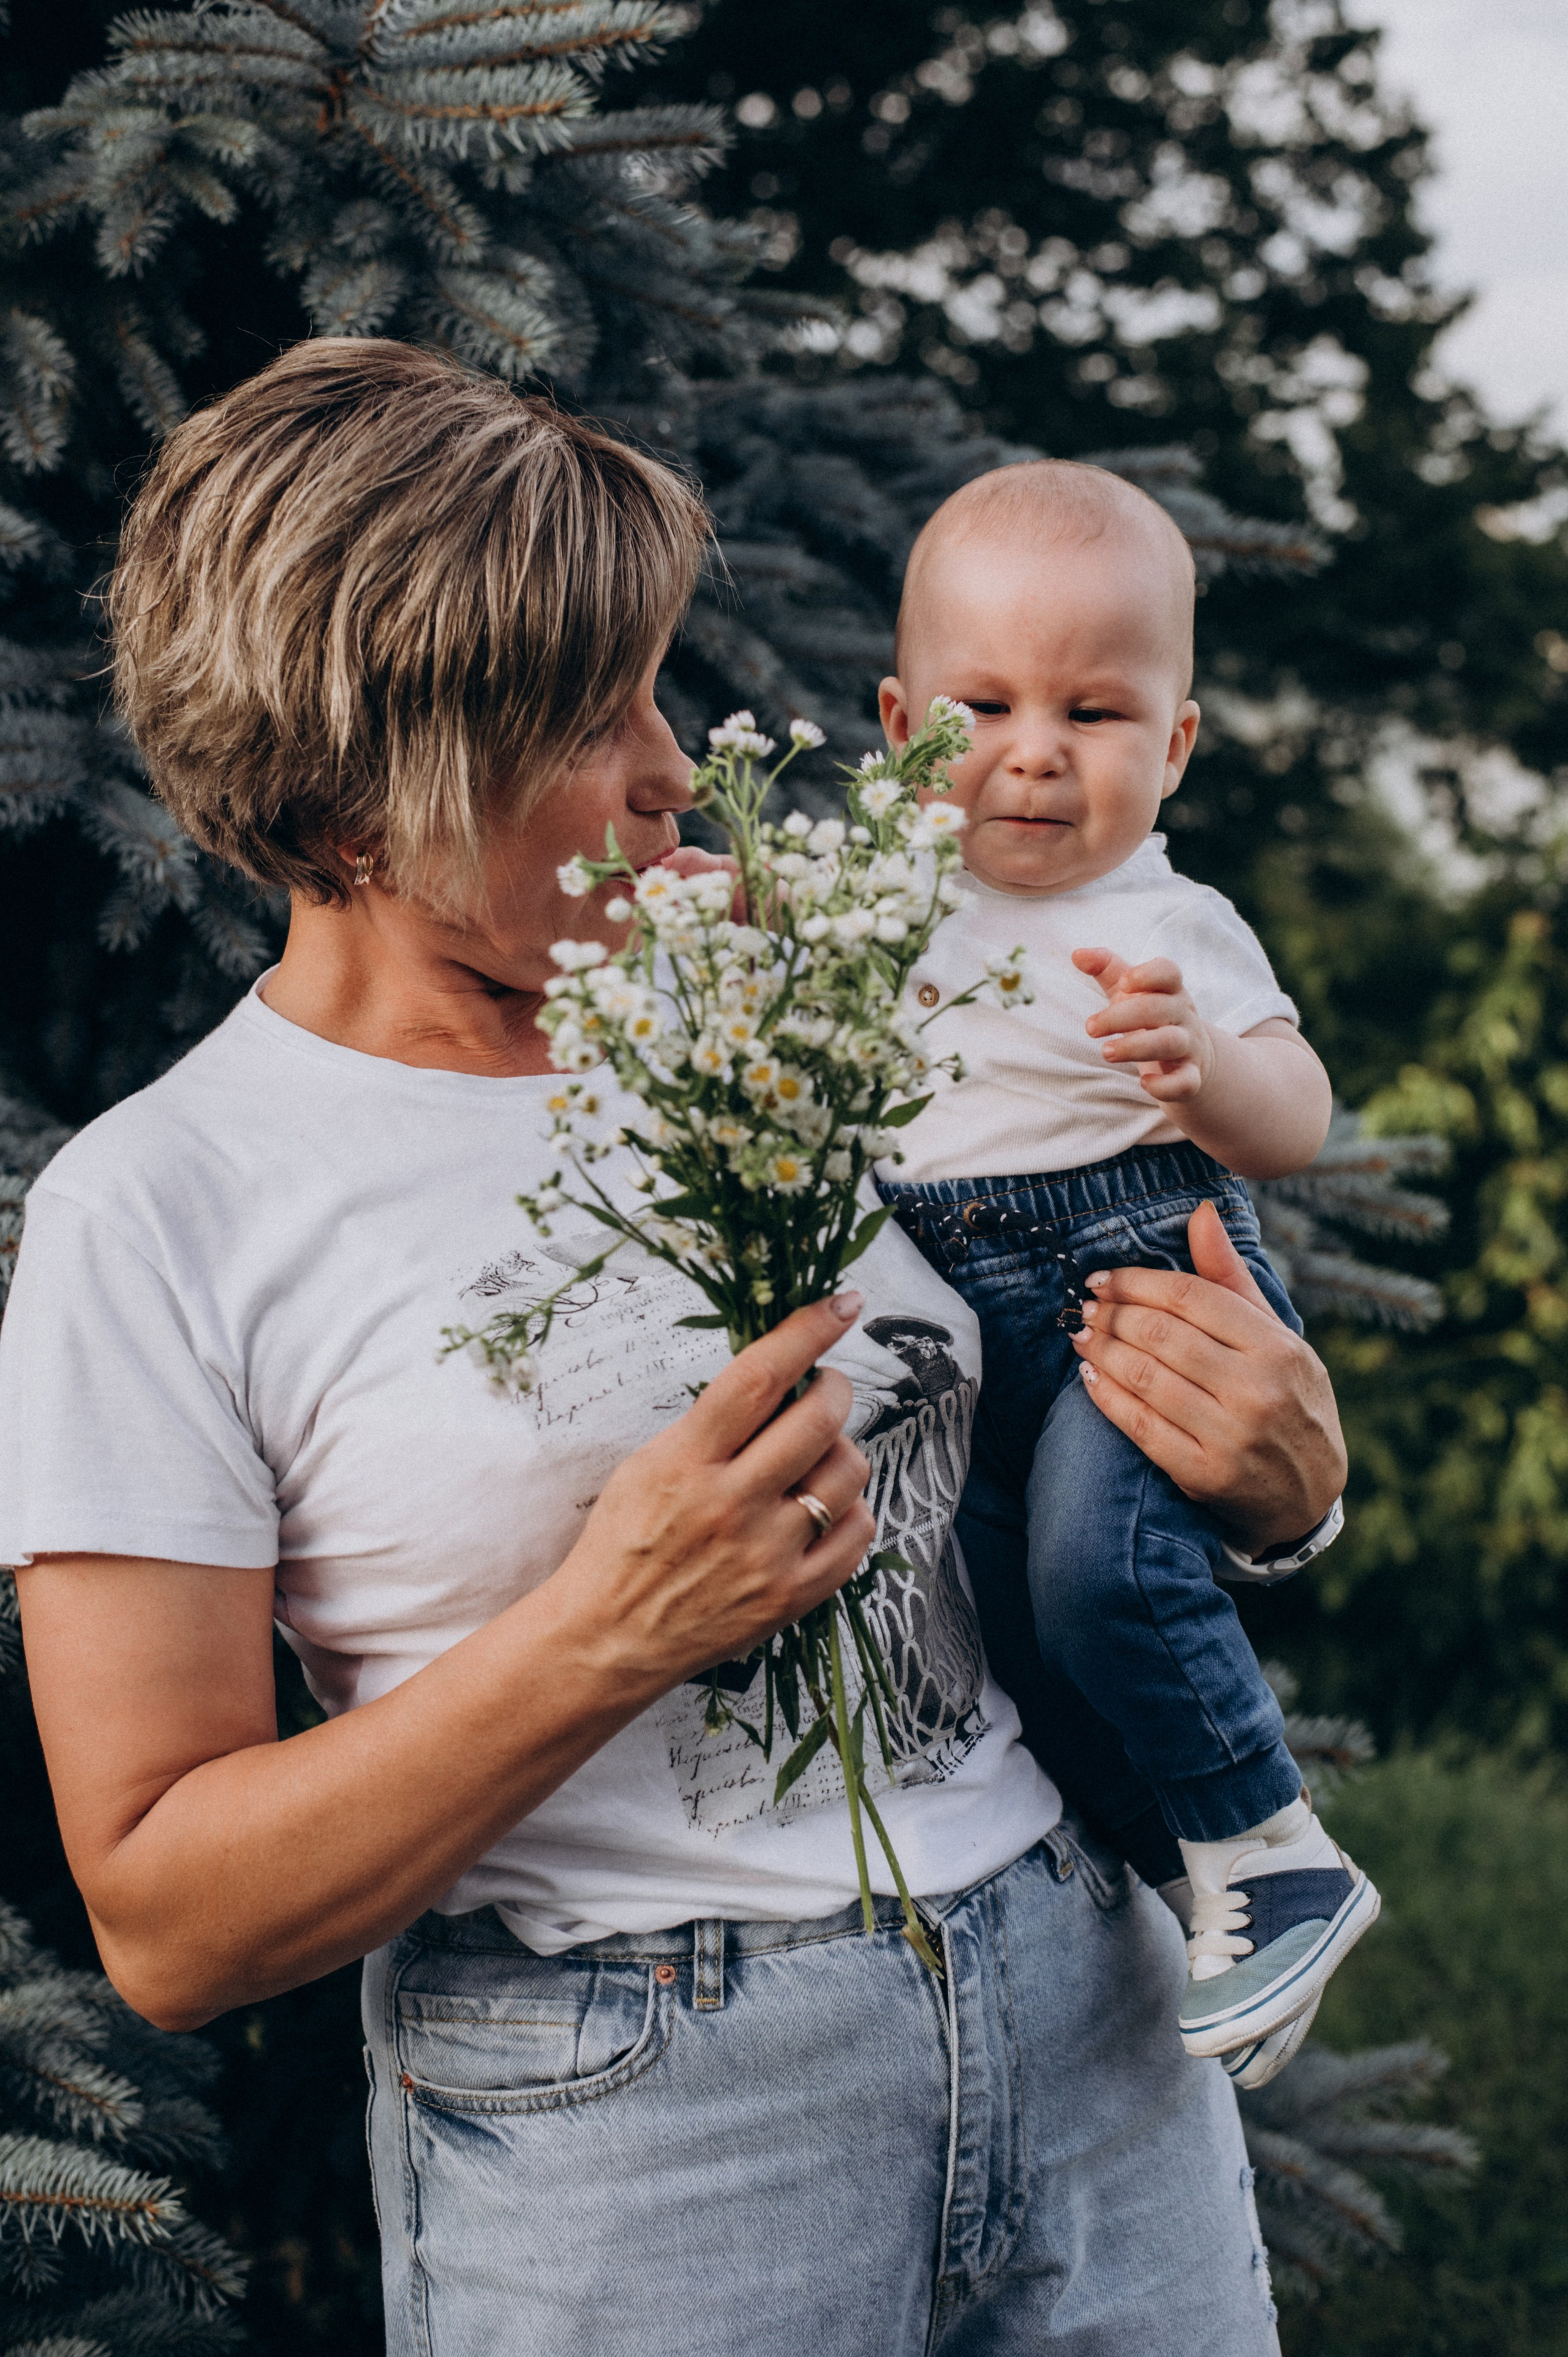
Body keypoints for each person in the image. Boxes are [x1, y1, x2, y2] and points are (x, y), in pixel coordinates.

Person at [2, 341, 1346, 2357]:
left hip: (1088, 2019)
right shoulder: (165, 1208)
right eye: (583, 718)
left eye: (655, 687)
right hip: (646, 2129)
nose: (673, 768)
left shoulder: (790, 986)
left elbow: (1079, 1365)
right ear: (358, 774)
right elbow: (172, 1918)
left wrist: (1282, 1486)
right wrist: (606, 1629)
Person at [875, 461, 1377, 2088]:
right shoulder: (879, 910)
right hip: (969, 1326)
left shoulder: (1168, 919)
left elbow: (1295, 1118)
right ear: (900, 732)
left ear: (1172, 747)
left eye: (1095, 713)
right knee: (1014, 1625)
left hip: (1140, 1282)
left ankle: (1275, 1841)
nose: (1032, 750)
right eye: (985, 705)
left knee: (1104, 1572)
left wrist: (1201, 1071)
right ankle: (1193, 1875)